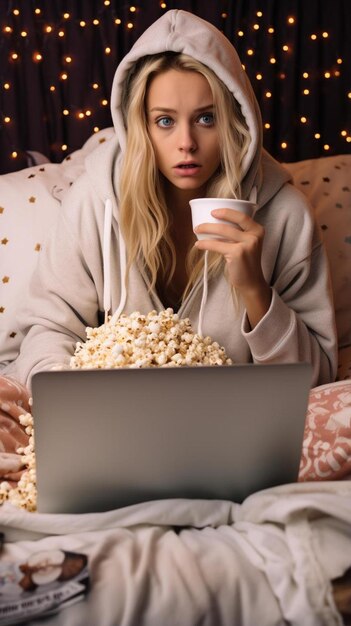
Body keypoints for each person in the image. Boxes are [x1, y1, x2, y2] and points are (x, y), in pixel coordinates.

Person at [1, 10, 337, 475]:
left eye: (205, 118)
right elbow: (50, 329)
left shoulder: (285, 215)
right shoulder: (95, 201)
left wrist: (257, 293)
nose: (186, 143)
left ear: (236, 120)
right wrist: (77, 406)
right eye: (164, 121)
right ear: (140, 126)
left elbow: (320, 379)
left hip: (231, 441)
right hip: (111, 436)